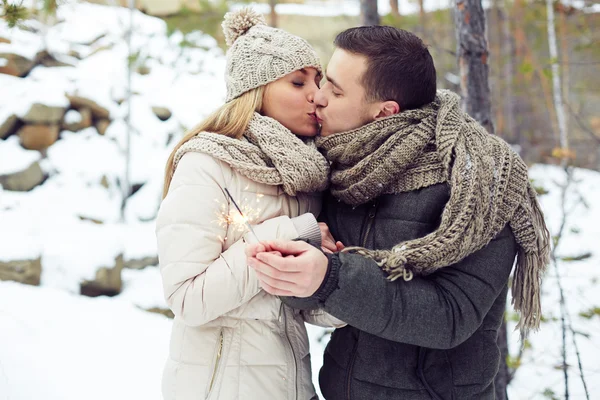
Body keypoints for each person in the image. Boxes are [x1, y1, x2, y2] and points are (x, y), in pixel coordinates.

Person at [246, 26, 550, 399]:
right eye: (325, 80)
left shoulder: (480, 180)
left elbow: (452, 316)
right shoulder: (339, 166)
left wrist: (330, 276)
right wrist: (299, 264)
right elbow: (317, 292)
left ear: (385, 112)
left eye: (336, 91)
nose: (318, 97)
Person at [156, 9, 345, 400]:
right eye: (297, 82)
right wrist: (293, 233)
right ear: (255, 90)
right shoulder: (207, 164)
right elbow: (188, 298)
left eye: (319, 80)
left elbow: (301, 309)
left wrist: (343, 279)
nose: (318, 94)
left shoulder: (305, 175)